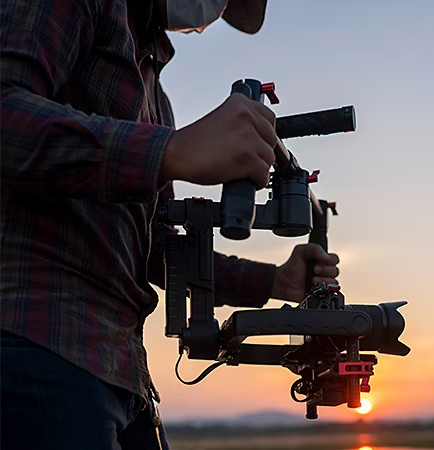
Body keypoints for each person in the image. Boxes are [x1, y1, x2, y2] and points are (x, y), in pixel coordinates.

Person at [0, 1, 340, 448]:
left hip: (121, 373)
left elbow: (159, 251)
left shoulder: (157, 102)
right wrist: (169, 151)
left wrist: (277, 280)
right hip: (35, 342)